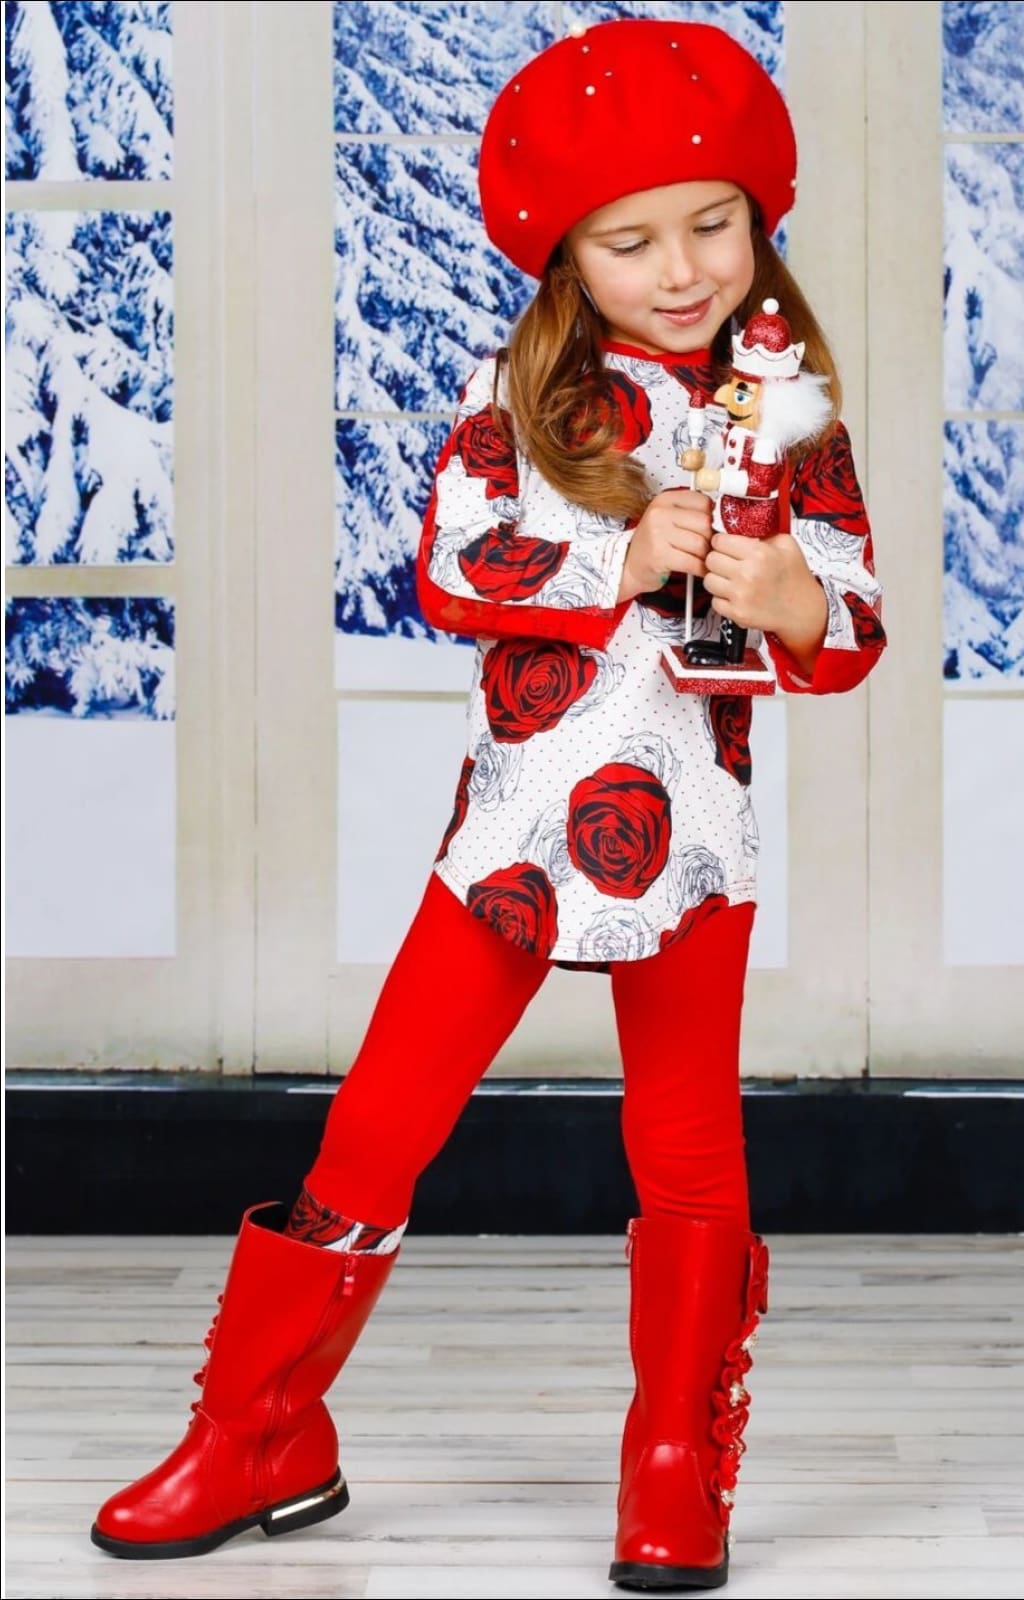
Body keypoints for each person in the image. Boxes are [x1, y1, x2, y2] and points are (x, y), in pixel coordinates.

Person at [90, 17, 887, 1590]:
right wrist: (618, 556)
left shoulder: (791, 419)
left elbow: (854, 622)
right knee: (381, 1120)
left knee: (688, 1148)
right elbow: (454, 566)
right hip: (514, 834)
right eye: (632, 241)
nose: (683, 270)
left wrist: (795, 596)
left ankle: (676, 1461)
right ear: (566, 254)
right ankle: (259, 1429)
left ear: (759, 220)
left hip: (692, 845)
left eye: (713, 225)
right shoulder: (524, 397)